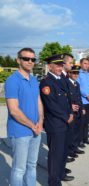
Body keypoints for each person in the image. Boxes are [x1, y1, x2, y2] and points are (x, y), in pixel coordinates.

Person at [5, 48, 43, 186]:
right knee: (19, 169)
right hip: (20, 132)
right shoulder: (12, 81)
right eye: (26, 58)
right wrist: (32, 126)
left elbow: (39, 102)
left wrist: (40, 122)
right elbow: (14, 110)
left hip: (36, 130)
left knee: (32, 165)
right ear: (18, 60)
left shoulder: (33, 80)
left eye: (33, 59)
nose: (30, 61)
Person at [40, 54, 74, 185]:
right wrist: (66, 116)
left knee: (64, 151)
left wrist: (70, 113)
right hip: (55, 124)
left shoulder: (62, 79)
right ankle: (54, 182)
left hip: (65, 122)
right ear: (50, 66)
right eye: (57, 65)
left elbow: (68, 98)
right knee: (55, 155)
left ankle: (61, 174)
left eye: (61, 65)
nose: (60, 67)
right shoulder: (46, 82)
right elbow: (51, 104)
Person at [66, 65, 85, 157]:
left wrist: (83, 108)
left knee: (77, 130)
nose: (75, 75)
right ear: (69, 73)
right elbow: (65, 99)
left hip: (78, 111)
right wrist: (70, 106)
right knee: (71, 131)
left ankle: (75, 147)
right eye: (74, 73)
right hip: (71, 111)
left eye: (77, 73)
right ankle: (70, 150)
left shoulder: (77, 84)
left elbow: (79, 98)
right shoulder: (66, 83)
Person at [77, 58, 89, 145]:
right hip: (83, 102)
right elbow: (78, 87)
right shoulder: (78, 74)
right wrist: (86, 95)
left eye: (87, 64)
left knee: (87, 122)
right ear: (81, 64)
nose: (86, 65)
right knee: (81, 122)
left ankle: (85, 138)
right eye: (85, 63)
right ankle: (79, 140)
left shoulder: (88, 75)